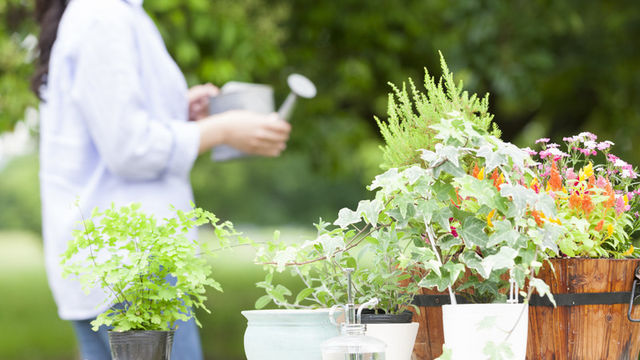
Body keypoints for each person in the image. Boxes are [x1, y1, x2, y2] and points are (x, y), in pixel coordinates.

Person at [31, 0, 292, 359]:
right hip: (131, 267)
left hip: (120, 263)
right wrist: (220, 129)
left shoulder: (114, 12)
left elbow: (112, 122)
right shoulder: (103, 15)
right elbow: (129, 148)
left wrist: (179, 110)